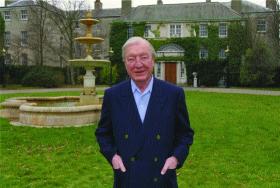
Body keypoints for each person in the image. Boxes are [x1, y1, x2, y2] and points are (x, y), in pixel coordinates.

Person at [95, 36, 194, 188]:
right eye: (131, 59)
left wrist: (175, 158)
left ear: (153, 60)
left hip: (162, 179)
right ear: (125, 63)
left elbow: (185, 134)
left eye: (143, 57)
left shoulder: (174, 94)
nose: (138, 64)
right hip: (127, 179)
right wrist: (113, 156)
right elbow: (103, 133)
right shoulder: (113, 95)